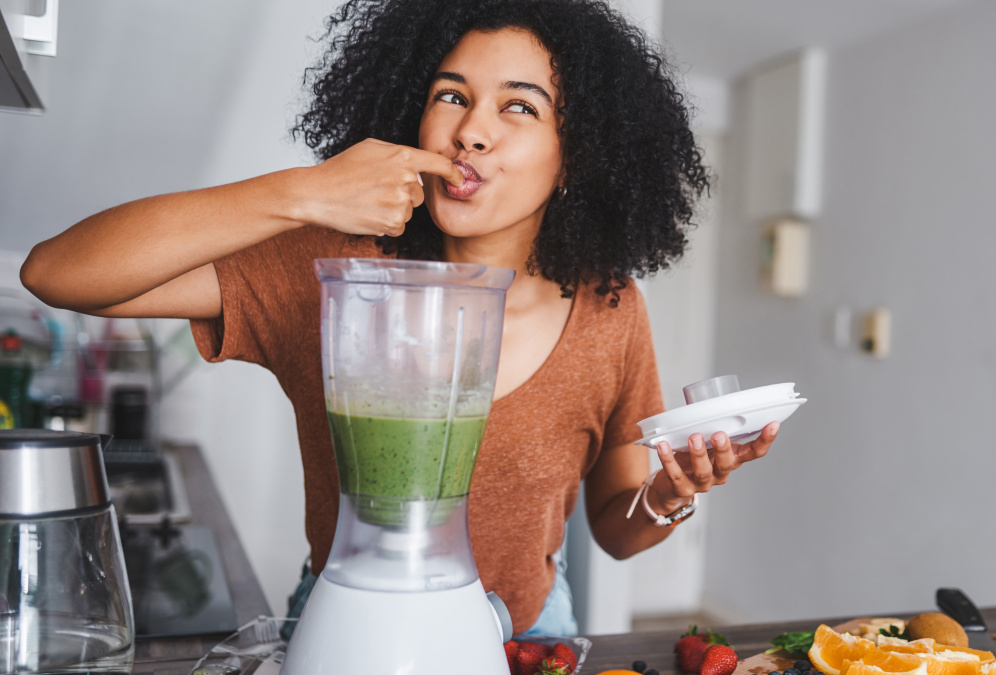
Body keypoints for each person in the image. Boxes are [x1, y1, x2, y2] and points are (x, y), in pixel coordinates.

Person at [21, 0, 782, 636]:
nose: (470, 130)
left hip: (529, 640)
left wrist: (672, 492)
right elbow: (55, 272)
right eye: (451, 95)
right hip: (348, 627)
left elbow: (618, 530)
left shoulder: (610, 310)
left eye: (519, 106)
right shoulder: (333, 270)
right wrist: (306, 192)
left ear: (576, 154)